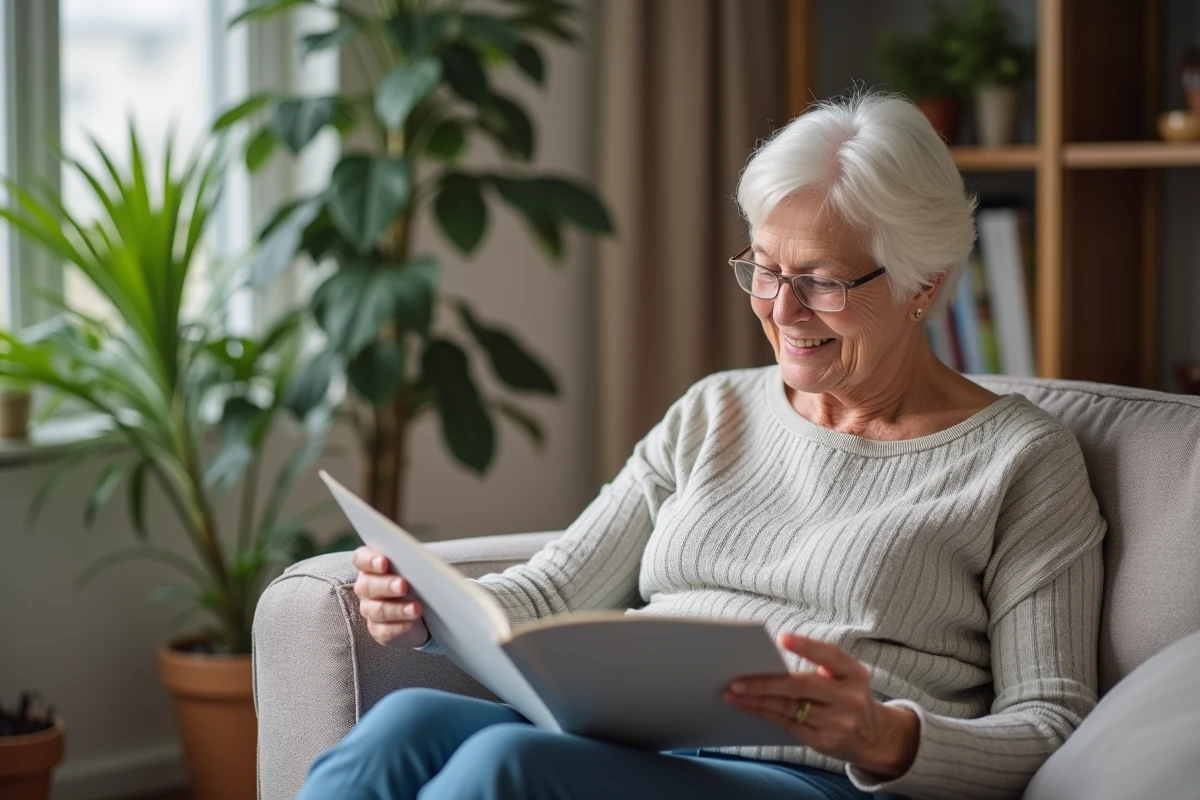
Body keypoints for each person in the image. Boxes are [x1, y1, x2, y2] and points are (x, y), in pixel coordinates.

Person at [297, 91, 1106, 800]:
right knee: (400, 725)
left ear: (920, 284)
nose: (781, 310)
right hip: (635, 744)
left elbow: (1050, 722)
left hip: (816, 778)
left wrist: (882, 733)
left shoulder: (1022, 463)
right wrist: (428, 606)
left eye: (820, 280)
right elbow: (554, 593)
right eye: (762, 268)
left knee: (507, 768)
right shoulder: (715, 409)